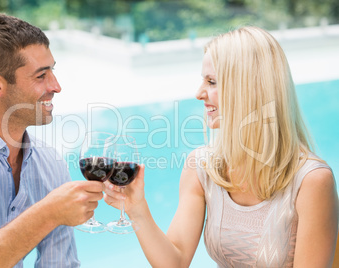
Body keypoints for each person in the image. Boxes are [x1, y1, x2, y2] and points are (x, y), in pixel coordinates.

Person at [104, 26, 339, 267]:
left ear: (250, 89)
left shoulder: (311, 181)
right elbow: (174, 261)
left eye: (212, 82)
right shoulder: (202, 167)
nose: (199, 93)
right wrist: (137, 209)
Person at [0, 14, 104, 267]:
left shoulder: (50, 162)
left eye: (53, 71)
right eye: (41, 76)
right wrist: (47, 214)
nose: (56, 86)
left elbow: (59, 264)